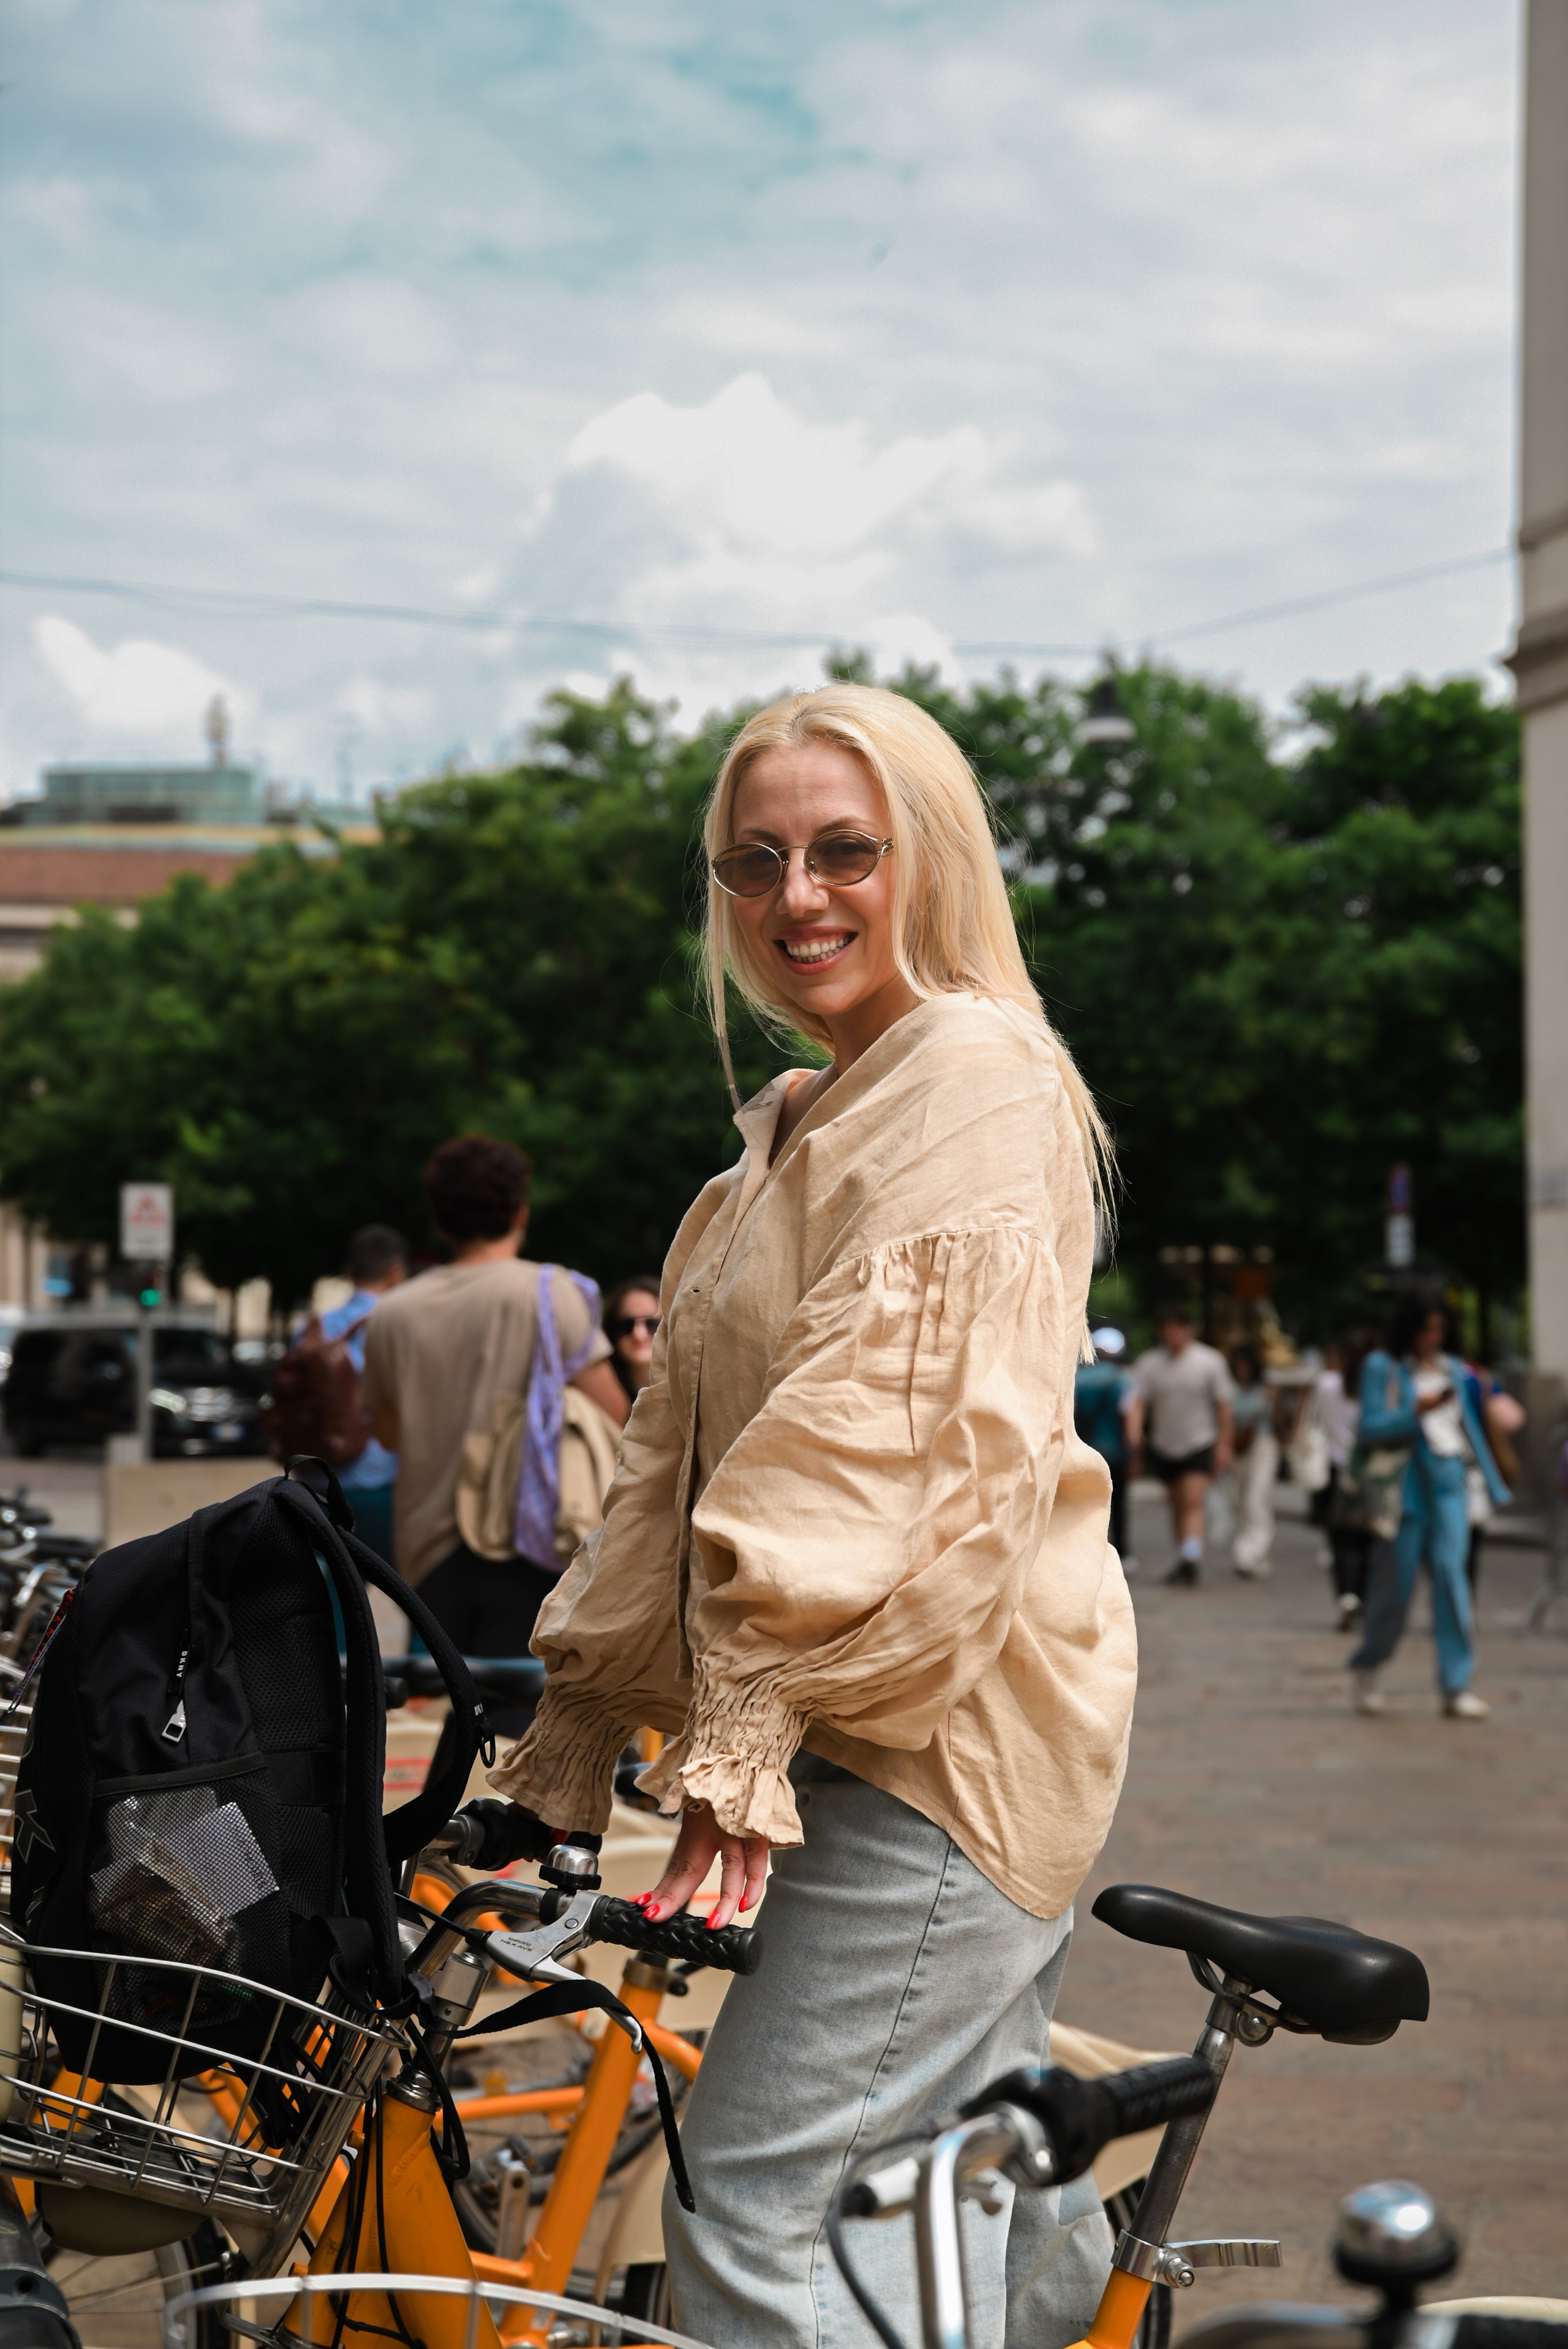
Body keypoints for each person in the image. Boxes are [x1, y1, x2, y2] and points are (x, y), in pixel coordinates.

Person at [490, 682, 1136, 2349]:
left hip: (930, 1760)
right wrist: (570, 1739)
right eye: (756, 859)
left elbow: (885, 1441)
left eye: (847, 849)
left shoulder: (969, 1079)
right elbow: (671, 1468)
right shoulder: (788, 1132)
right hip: (874, 1739)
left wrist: (748, 1715)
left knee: (765, 2220)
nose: (799, 898)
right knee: (945, 2225)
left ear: (933, 857)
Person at [361, 1136, 627, 1711]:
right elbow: (615, 1414)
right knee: (520, 1727)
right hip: (530, 1542)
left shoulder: (392, 1314)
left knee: (455, 1719)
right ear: (520, 1210)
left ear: (439, 1216)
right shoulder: (551, 1292)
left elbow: (386, 1434)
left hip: (427, 1548)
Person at [1346, 1299, 1510, 1720]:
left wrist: (1492, 1480)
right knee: (1395, 1591)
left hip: (1449, 1485)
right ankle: (1369, 1663)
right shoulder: (1384, 1367)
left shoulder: (1455, 1368)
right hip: (1404, 1492)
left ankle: (1457, 1683)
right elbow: (1368, 1427)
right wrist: (1414, 1412)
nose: (1432, 1338)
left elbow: (1469, 1427)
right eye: (1425, 1329)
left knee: (1452, 1581)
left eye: (1440, 1329)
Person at [1125, 1302, 1234, 1586]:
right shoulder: (1150, 1364)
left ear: (1188, 1329)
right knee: (1176, 1503)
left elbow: (1224, 1407)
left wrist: (1224, 1445)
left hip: (1199, 1440)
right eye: (1166, 1328)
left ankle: (1192, 1555)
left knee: (1192, 1499)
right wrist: (1135, 1434)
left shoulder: (1209, 1361)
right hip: (1165, 1443)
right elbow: (1138, 1403)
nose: (1171, 1333)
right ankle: (1184, 1555)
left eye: (1177, 1327)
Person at [319, 1223, 408, 1568]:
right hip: (380, 1484)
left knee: (333, 1599)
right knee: (420, 1596)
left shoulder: (314, 1329)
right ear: (396, 1273)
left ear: (349, 1272)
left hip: (318, 1485)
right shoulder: (401, 1326)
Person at [1318, 1335, 1372, 1628]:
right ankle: (1361, 1596)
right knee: (1366, 1539)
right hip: (1370, 1472)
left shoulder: (1327, 1385)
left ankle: (1346, 1595)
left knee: (1340, 1540)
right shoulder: (1374, 1392)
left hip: (1336, 1470)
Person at [1075, 1325, 1136, 1572]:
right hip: (1116, 1453)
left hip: (1085, 1452)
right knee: (1118, 1504)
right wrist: (1135, 1454)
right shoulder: (1124, 1380)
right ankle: (1122, 1554)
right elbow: (1130, 1421)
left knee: (1084, 1503)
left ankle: (1086, 1551)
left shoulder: (1076, 1378)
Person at [1226, 1343, 1278, 1579]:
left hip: (1263, 1445)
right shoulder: (1228, 1389)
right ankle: (1257, 1554)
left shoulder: (1267, 1388)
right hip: (1237, 1448)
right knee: (1241, 1501)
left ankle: (1248, 1554)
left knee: (1256, 1499)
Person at [603, 1275, 663, 1406]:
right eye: (627, 1325)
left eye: (652, 1324)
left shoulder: (690, 1393)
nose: (639, 1335)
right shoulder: (599, 1398)